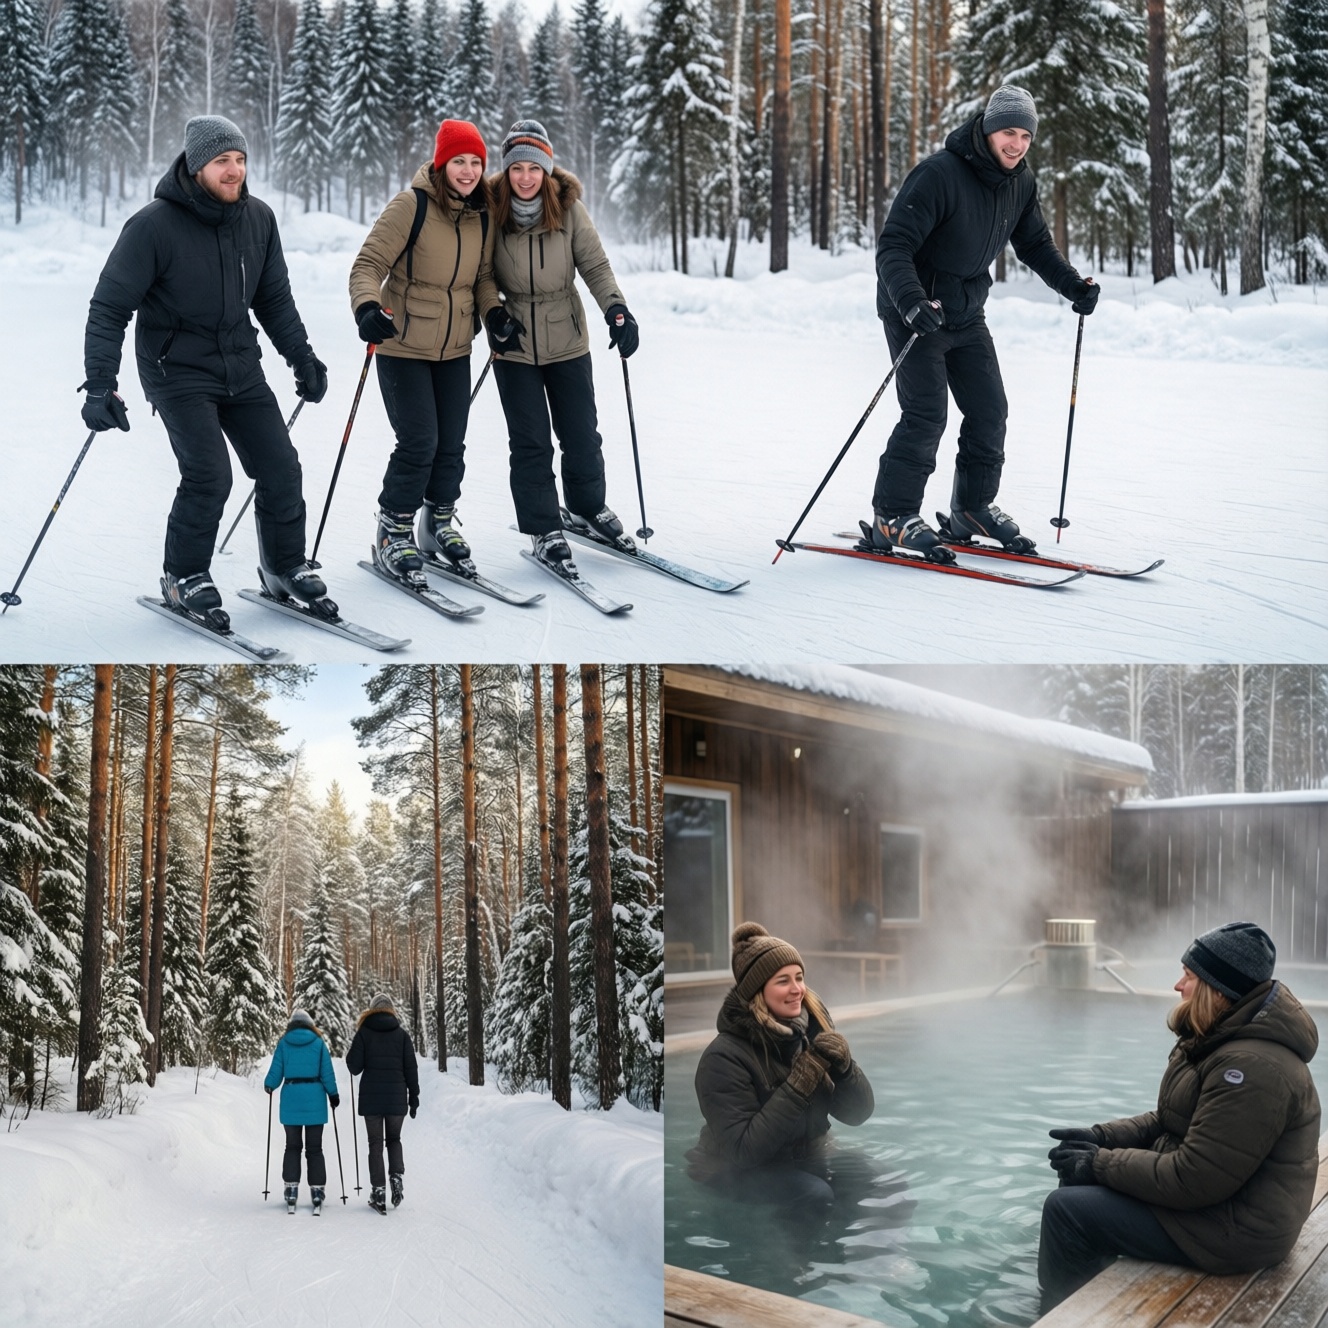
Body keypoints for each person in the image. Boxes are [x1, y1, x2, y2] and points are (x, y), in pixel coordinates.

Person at [82, 115, 332, 627]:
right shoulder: (153, 226)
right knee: (209, 474)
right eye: (223, 161)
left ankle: (283, 565)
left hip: (240, 363)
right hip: (176, 369)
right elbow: (109, 306)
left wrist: (301, 357)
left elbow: (274, 299)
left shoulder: (258, 219)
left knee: (281, 465)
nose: (234, 170)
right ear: (197, 166)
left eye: (240, 160)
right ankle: (184, 575)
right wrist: (101, 383)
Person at [1038, 921, 1321, 1312]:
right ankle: (1087, 1294)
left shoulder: (1251, 1067)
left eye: (1188, 976)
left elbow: (1195, 1178)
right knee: (1074, 1185)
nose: (1177, 985)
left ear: (1217, 988)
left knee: (1065, 1211)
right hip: (1221, 1206)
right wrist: (1099, 1137)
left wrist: (1099, 1165)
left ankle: (1057, 1315)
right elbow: (1168, 1119)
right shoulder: (1218, 1038)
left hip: (1238, 1230)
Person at [870, 85, 1099, 561]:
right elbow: (893, 246)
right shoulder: (939, 175)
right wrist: (912, 302)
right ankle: (892, 515)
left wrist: (1073, 286)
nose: (1016, 144)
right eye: (1008, 133)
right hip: (916, 312)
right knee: (926, 414)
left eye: (1025, 136)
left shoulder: (1019, 182)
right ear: (988, 130)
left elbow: (1034, 245)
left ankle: (971, 508)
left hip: (967, 312)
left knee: (990, 410)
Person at [348, 119, 500, 586]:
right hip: (402, 345)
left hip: (455, 347)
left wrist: (494, 314)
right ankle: (393, 528)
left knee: (451, 444)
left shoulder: (482, 214)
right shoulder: (410, 206)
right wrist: (367, 307)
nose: (469, 171)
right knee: (419, 441)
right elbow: (368, 264)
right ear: (441, 163)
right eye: (460, 161)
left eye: (476, 162)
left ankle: (436, 525)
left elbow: (483, 278)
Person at [485, 120, 641, 571]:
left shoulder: (569, 209)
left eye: (535, 168)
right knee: (530, 442)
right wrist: (493, 315)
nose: (526, 177)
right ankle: (542, 527)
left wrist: (617, 309)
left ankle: (587, 507)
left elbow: (594, 263)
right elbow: (481, 276)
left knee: (581, 434)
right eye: (518, 168)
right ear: (508, 170)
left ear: (547, 169)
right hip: (513, 343)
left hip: (568, 337)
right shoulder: (492, 210)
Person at [688, 922, 875, 1205]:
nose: (797, 989)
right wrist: (799, 1085)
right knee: (816, 1196)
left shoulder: (810, 1035)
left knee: (881, 1184)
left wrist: (846, 1069)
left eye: (799, 977)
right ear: (757, 991)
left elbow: (858, 1114)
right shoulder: (722, 1058)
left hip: (806, 1156)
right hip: (734, 1170)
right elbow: (743, 1151)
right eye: (782, 981)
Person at [346, 993, 420, 1215]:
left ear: (371, 1010)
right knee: (394, 1139)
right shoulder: (402, 1036)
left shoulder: (364, 1033)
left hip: (372, 1099)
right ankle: (396, 1176)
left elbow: (353, 1067)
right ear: (391, 1010)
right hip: (397, 1098)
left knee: (375, 1144)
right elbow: (411, 1070)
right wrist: (413, 1098)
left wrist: (357, 1043)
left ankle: (378, 1192)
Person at [263, 1008, 341, 1214]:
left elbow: (275, 1072)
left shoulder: (284, 1044)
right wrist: (333, 1094)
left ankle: (291, 1189)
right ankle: (317, 1191)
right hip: (315, 1100)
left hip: (291, 1100)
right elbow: (327, 1073)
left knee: (292, 1146)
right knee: (315, 1149)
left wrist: (269, 1085)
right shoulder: (318, 1043)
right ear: (309, 1025)